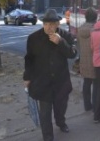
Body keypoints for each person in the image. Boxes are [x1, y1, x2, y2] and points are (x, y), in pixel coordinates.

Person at [23, 9, 77, 141]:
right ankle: (47, 137)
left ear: (58, 24)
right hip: (42, 82)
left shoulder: (66, 35)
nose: (49, 27)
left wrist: (61, 42)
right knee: (45, 113)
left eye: (52, 24)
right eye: (46, 24)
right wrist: (27, 77)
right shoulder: (33, 38)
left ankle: (61, 122)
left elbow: (73, 54)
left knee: (60, 108)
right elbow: (29, 59)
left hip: (61, 82)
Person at [76, 7, 98, 112]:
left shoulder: (80, 29)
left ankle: (87, 105)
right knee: (97, 85)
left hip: (84, 60)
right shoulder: (95, 29)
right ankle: (96, 105)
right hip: (95, 60)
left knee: (87, 83)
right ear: (95, 17)